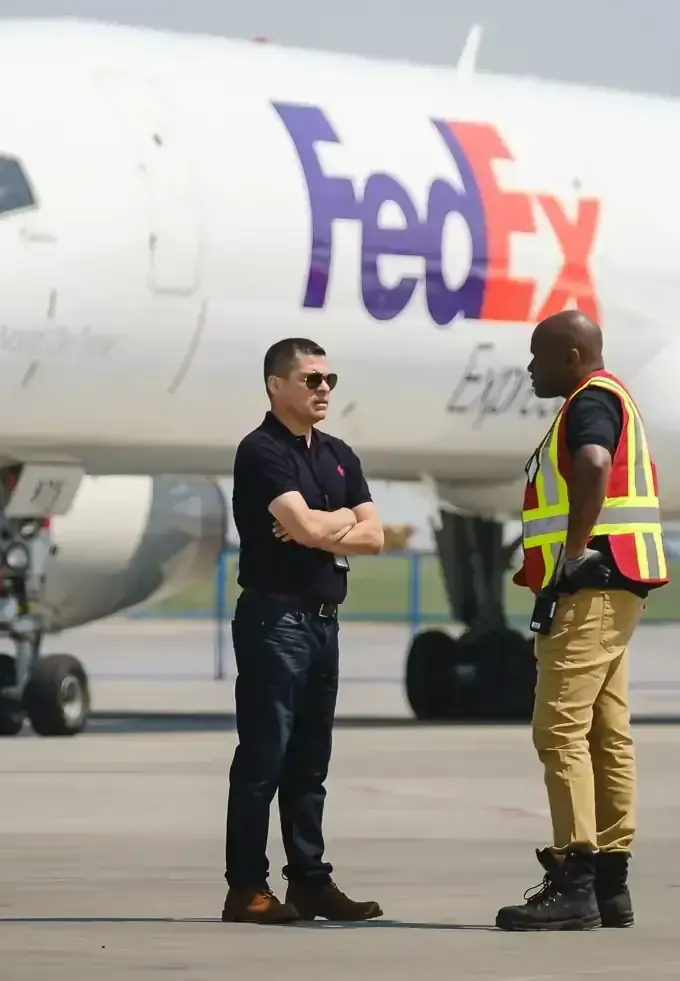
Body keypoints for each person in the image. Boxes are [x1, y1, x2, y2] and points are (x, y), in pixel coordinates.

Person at [495, 310, 669, 932]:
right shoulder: (612, 397)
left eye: (538, 355)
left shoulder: (589, 402)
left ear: (571, 356)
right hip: (617, 589)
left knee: (559, 731)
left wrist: (572, 553)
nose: (529, 368)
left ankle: (574, 881)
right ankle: (610, 884)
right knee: (605, 733)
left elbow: (593, 464)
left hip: (590, 589)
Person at [220, 336, 387, 925]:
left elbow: (374, 536)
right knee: (264, 757)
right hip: (275, 620)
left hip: (322, 622)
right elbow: (313, 529)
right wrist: (335, 523)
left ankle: (311, 883)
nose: (323, 389)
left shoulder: (339, 454)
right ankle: (246, 888)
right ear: (276, 385)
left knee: (311, 763)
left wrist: (325, 522)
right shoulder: (261, 451)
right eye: (311, 379)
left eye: (328, 380)